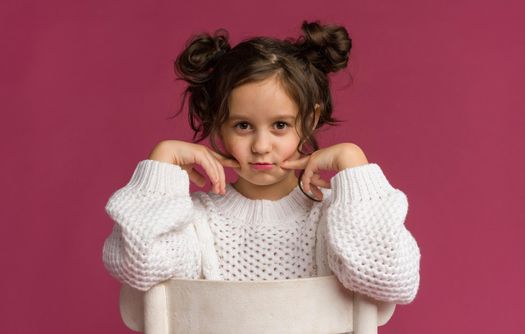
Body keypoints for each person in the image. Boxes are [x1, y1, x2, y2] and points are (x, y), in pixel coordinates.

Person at [102, 20, 421, 305]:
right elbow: (139, 267)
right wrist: (161, 164)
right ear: (217, 126)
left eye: (280, 125)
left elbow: (393, 280)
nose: (261, 146)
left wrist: (355, 168)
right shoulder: (193, 222)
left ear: (310, 121)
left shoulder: (337, 215)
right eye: (243, 126)